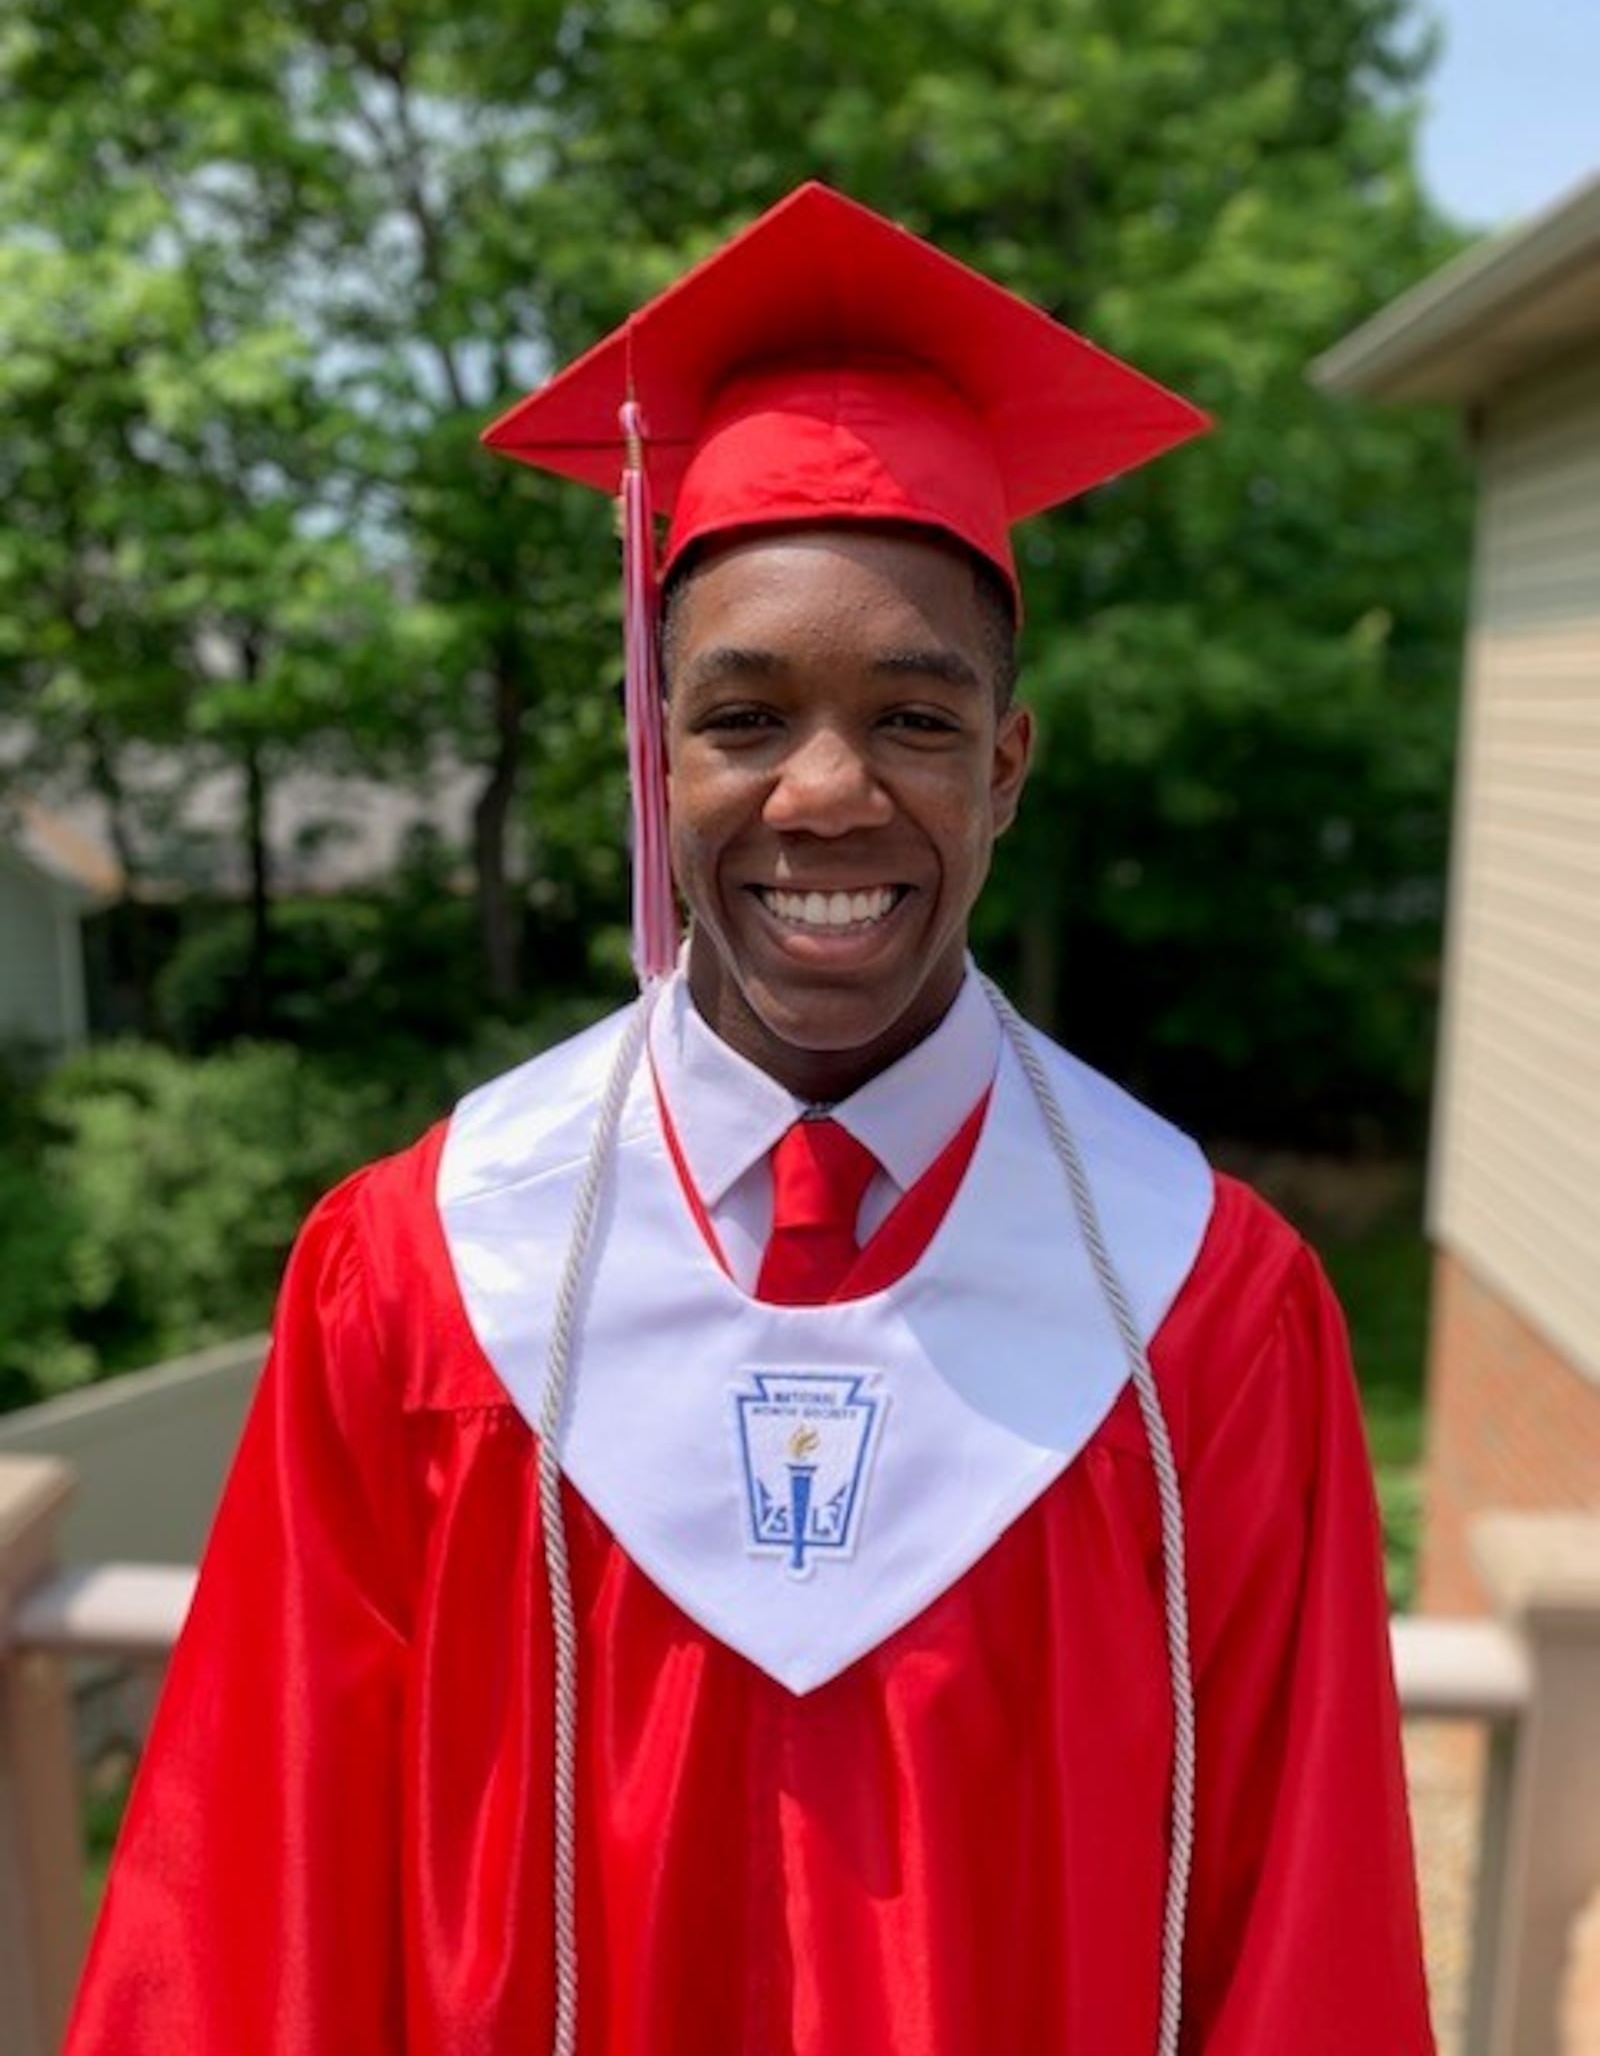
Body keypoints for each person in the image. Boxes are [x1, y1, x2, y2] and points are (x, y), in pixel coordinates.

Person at [66, 183, 1435, 2055]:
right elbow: (249, 1914)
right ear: (655, 751)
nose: (825, 792)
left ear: (1009, 768)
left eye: (915, 719)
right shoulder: (419, 1277)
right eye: (744, 714)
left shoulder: (1211, 1317)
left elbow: (1311, 1946)